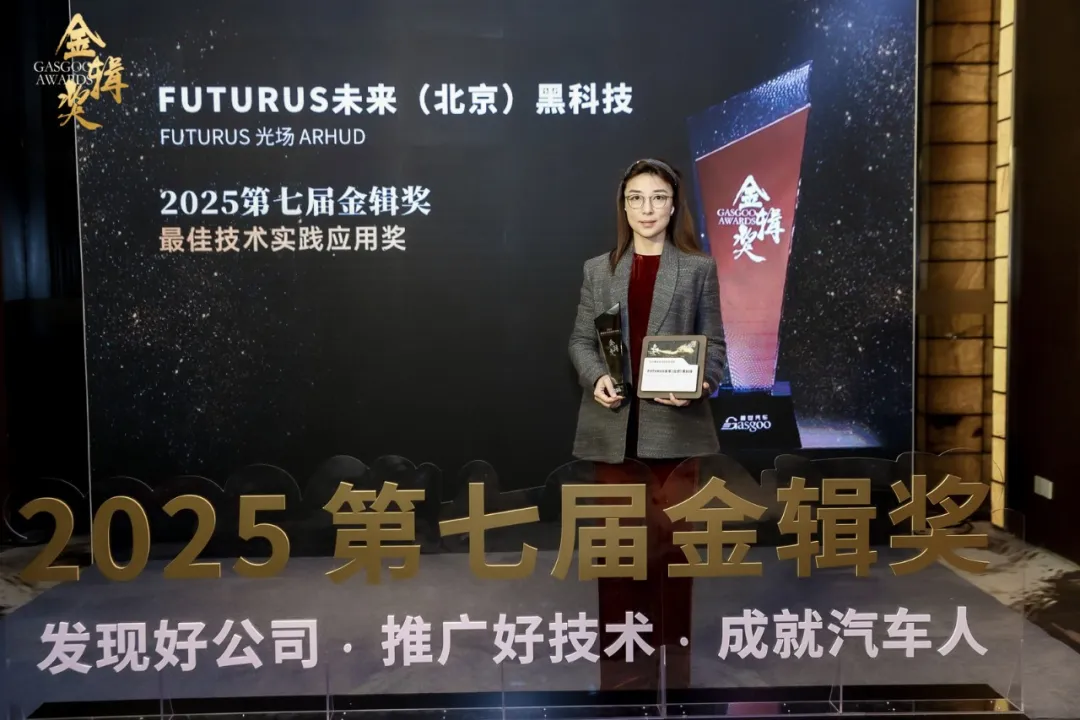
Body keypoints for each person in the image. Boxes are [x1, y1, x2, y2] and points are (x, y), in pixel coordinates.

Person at [567, 158, 729, 691]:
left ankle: (674, 679)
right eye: (635, 198)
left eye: (658, 198)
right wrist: (595, 377)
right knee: (619, 560)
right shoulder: (600, 269)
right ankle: (621, 678)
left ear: (674, 205)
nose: (647, 209)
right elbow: (581, 341)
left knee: (673, 557)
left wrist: (697, 385)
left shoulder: (697, 269)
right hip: (614, 433)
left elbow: (716, 348)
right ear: (624, 205)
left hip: (675, 435)